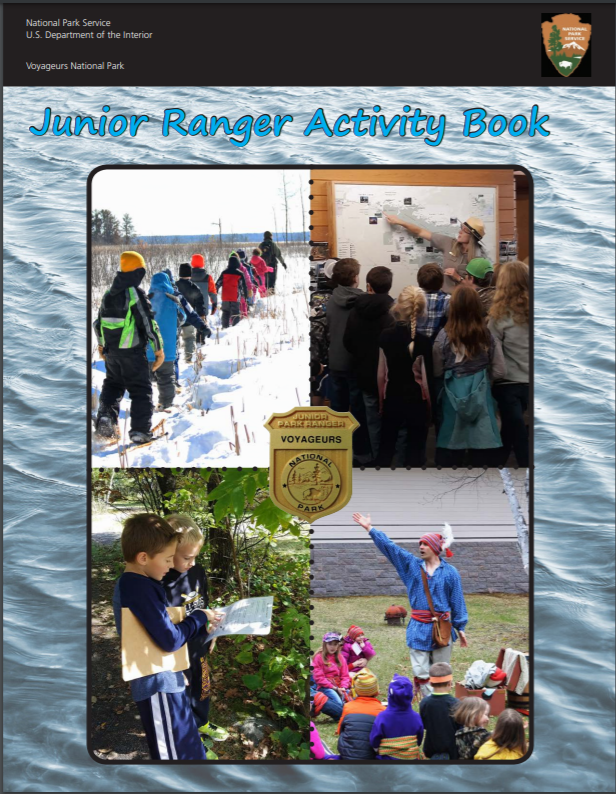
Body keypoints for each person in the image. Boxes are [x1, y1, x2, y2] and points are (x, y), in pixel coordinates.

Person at [112, 513, 221, 760]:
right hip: (157, 682)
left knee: (186, 744)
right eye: (168, 559)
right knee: (172, 753)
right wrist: (200, 617)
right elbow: (169, 638)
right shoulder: (137, 587)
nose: (171, 565)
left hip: (167, 675)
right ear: (143, 558)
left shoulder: (143, 583)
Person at [352, 513, 468, 697]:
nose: (421, 547)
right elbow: (391, 548)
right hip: (418, 627)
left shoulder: (450, 573)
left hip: (443, 628)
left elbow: (457, 600)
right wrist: (370, 529)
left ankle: (440, 703)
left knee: (441, 670)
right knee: (421, 672)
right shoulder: (411, 566)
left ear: (436, 548)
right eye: (420, 544)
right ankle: (429, 705)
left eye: (425, 544)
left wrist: (460, 627)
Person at [161, 514, 229, 759]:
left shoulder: (197, 571)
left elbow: (204, 604)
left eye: (196, 556)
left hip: (199, 642)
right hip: (175, 650)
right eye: (186, 557)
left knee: (202, 685)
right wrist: (170, 664)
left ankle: (201, 721)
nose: (192, 562)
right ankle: (191, 738)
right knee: (180, 692)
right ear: (168, 552)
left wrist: (213, 632)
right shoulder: (160, 581)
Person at [94, 251, 164, 444]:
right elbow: (148, 324)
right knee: (141, 391)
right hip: (133, 355)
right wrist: (158, 350)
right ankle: (140, 432)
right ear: (137, 271)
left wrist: (102, 346)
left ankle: (106, 421)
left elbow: (97, 323)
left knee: (113, 386)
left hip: (112, 354)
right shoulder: (134, 293)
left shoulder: (108, 294)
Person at [433, 285, 506, 466]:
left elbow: (437, 370)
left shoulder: (443, 338)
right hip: (481, 395)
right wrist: (485, 380)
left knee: (451, 442)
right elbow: (500, 370)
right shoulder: (487, 336)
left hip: (452, 396)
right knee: (482, 447)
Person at [376, 285, 432, 467]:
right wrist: (430, 408)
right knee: (415, 449)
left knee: (387, 445)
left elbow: (381, 375)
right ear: (422, 311)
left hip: (392, 396)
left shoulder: (385, 336)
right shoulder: (424, 342)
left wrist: (381, 402)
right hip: (417, 401)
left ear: (397, 307)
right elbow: (426, 380)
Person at [343, 266, 395, 462]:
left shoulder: (355, 311)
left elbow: (347, 342)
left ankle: (376, 460)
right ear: (389, 287)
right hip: (390, 377)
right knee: (392, 420)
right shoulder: (394, 313)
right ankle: (390, 459)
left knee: (371, 418)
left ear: (368, 286)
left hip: (365, 374)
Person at [326, 258, 371, 463]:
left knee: (338, 409)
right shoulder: (363, 301)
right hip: (355, 362)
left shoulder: (331, 300)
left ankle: (337, 452)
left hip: (335, 361)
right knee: (358, 410)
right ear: (355, 278)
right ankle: (361, 452)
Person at [488, 260, 530, 467]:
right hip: (531, 383)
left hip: (507, 383)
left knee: (515, 432)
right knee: (512, 430)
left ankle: (523, 468)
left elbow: (493, 355)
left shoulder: (498, 317)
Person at [384, 214, 488, 294]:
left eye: (465, 230)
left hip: (463, 301)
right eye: (461, 227)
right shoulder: (449, 243)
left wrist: (458, 277)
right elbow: (420, 232)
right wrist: (399, 222)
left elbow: (478, 287)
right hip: (443, 299)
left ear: (473, 237)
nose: (460, 232)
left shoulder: (479, 257)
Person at [146, 272, 186, 411]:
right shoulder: (173, 299)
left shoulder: (146, 299)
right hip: (167, 348)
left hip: (149, 348)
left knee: (144, 379)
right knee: (166, 377)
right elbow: (183, 318)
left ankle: (145, 404)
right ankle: (165, 403)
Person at [369, 674, 424, 761]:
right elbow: (419, 740)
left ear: (390, 696)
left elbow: (374, 741)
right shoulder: (416, 717)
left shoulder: (382, 717)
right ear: (410, 697)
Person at [337, 670, 385, 760]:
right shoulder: (382, 710)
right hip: (370, 756)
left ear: (356, 691)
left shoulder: (347, 707)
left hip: (346, 756)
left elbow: (340, 731)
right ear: (376, 691)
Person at [419, 662, 460, 759]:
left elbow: (424, 724)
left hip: (431, 748)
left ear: (430, 683)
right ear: (450, 683)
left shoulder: (424, 703)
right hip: (453, 750)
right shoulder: (457, 704)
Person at [311, 632, 351, 721]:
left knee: (353, 698)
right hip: (325, 687)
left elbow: (345, 676)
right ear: (325, 644)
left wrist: (343, 687)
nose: (332, 647)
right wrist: (335, 688)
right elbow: (319, 678)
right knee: (338, 703)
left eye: (335, 644)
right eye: (330, 644)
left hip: (339, 686)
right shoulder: (318, 657)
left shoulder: (340, 658)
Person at [176, 263, 209, 363]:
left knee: (174, 338)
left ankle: (174, 358)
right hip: (189, 318)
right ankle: (189, 359)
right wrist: (202, 315)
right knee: (189, 338)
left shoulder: (174, 286)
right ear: (190, 274)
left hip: (176, 317)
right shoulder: (194, 287)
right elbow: (199, 303)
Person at [416, 263, 450, 340]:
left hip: (415, 345)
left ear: (419, 282)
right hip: (438, 345)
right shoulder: (447, 300)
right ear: (441, 283)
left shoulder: (411, 298)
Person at [215, 253, 248, 329]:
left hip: (225, 296)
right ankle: (234, 329)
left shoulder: (224, 272)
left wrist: (215, 292)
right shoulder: (240, 273)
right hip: (235, 296)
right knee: (235, 313)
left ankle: (224, 327)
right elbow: (244, 286)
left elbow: (217, 284)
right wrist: (245, 296)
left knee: (225, 312)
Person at [190, 254, 218, 339]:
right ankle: (201, 341)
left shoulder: (188, 276)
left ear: (192, 263)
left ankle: (193, 343)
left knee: (190, 327)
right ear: (203, 263)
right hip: (203, 307)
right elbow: (213, 292)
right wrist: (214, 305)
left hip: (189, 307)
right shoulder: (208, 277)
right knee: (201, 325)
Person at [233, 249, 257, 317]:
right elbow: (250, 277)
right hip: (245, 288)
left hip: (236, 289)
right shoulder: (247, 266)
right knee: (245, 303)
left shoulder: (233, 266)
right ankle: (245, 315)